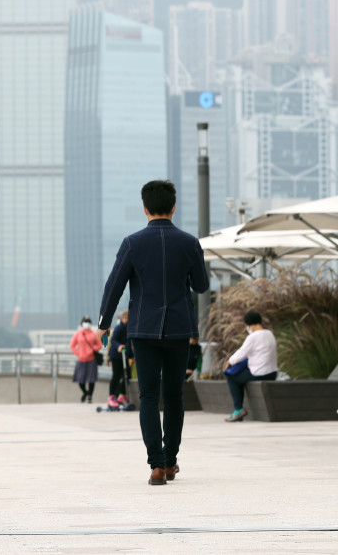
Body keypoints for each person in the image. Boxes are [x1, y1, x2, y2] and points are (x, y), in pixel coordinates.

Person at [97, 180, 209, 486]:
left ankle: (156, 466)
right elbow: (201, 286)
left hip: (143, 330)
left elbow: (114, 285)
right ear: (174, 207)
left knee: (148, 397)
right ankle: (171, 462)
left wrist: (105, 322)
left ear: (144, 208)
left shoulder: (132, 243)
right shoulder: (189, 243)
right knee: (174, 397)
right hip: (178, 329)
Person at [224, 310, 278, 422]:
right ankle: (238, 409)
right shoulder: (269, 333)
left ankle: (238, 409)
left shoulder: (253, 337)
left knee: (232, 377)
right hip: (272, 373)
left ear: (249, 325)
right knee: (242, 372)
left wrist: (229, 362)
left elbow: (241, 353)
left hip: (259, 373)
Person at [70, 316, 104, 403]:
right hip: (81, 360)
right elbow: (72, 346)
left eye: (88, 321)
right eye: (85, 321)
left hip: (91, 360)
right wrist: (79, 353)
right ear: (82, 323)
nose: (86, 323)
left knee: (91, 379)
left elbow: (99, 345)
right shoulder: (78, 334)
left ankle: (90, 396)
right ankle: (85, 392)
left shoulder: (94, 334)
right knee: (80, 379)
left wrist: (93, 350)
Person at [107, 310, 133, 408]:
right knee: (116, 376)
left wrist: (131, 356)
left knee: (127, 375)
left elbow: (129, 343)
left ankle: (122, 395)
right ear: (125, 318)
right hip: (116, 356)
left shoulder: (129, 328)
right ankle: (111, 397)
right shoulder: (119, 328)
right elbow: (113, 340)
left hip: (124, 356)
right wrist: (119, 346)